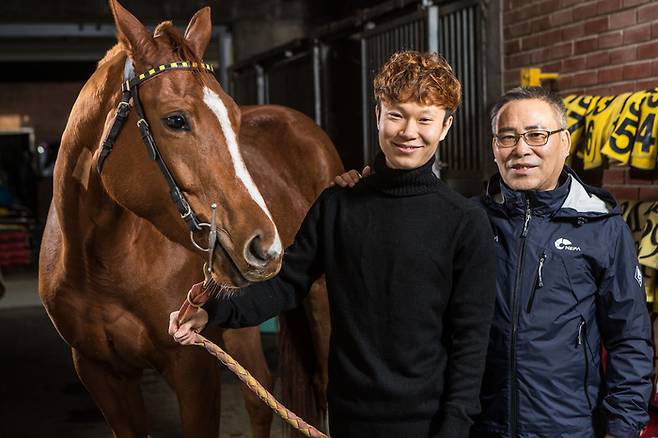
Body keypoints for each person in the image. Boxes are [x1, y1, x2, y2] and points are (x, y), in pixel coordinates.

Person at [169, 50, 497, 438]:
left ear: (444, 127)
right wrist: (215, 311)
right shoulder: (338, 204)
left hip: (430, 423)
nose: (409, 131)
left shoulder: (465, 221)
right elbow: (287, 281)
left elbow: (471, 337)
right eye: (396, 115)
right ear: (378, 116)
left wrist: (456, 425)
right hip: (349, 417)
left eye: (425, 119)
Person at [335, 86, 653, 438]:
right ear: (494, 147)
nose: (521, 149)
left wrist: (622, 427)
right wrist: (368, 192)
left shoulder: (601, 226)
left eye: (537, 135)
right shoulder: (464, 220)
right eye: (508, 137)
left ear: (564, 143)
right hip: (476, 425)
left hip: (567, 427)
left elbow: (630, 338)